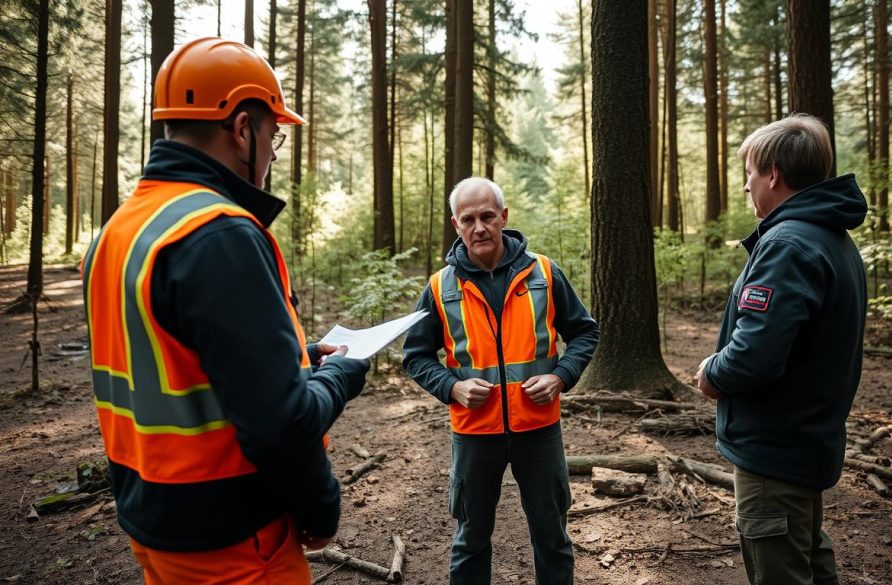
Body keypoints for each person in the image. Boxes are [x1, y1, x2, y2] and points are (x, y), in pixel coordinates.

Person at [81, 37, 369, 583]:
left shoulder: (121, 230)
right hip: (237, 546)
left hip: (155, 528)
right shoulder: (220, 234)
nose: (274, 155)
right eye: (274, 137)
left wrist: (301, 358)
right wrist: (339, 376)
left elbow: (172, 361)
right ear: (242, 129)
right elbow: (281, 426)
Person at [694, 114, 867, 585]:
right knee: (809, 559)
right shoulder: (831, 237)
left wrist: (712, 372)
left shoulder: (789, 244)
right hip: (806, 441)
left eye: (750, 173)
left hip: (775, 448)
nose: (747, 187)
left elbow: (756, 353)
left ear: (773, 173)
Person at [403, 177, 599, 585]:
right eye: (468, 219)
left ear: (503, 217)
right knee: (470, 538)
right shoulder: (441, 286)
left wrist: (561, 377)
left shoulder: (544, 273)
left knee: (552, 535)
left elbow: (584, 332)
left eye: (487, 217)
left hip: (539, 430)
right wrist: (452, 388)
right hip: (474, 434)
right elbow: (417, 356)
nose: (479, 227)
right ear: (455, 224)